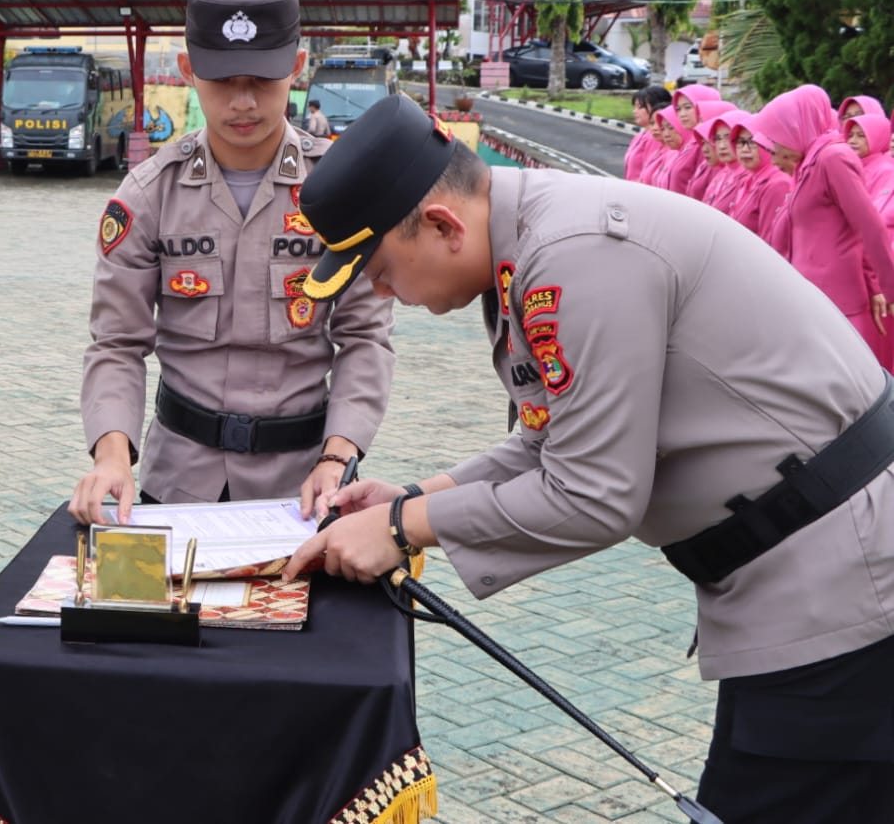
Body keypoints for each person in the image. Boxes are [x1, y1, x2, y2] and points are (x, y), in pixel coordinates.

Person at [288, 93, 894, 822]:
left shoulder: (572, 255)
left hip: (843, 583)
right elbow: (550, 438)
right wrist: (409, 499)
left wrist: (401, 529)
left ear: (442, 225)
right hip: (805, 575)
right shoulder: (529, 241)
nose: (387, 294)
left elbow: (593, 494)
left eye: (382, 271)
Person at [72, 0, 396, 527]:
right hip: (178, 482)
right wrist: (110, 455)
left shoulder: (340, 191)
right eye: (222, 81)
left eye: (262, 80)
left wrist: (338, 455)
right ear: (187, 72)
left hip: (304, 485)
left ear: (296, 68)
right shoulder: (150, 196)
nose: (242, 102)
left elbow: (365, 338)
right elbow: (118, 344)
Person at [752, 84, 894, 361]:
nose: (774, 148)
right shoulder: (810, 162)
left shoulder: (833, 158)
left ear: (797, 129)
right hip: (814, 297)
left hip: (837, 301)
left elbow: (868, 225)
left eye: (777, 138)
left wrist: (887, 287)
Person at [729, 113, 792, 243]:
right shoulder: (748, 180)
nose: (745, 149)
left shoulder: (777, 183)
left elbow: (770, 240)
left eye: (752, 142)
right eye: (741, 142)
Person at [622, 84, 670, 183]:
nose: (634, 111)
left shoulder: (655, 137)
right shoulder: (641, 136)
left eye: (640, 107)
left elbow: (648, 174)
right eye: (634, 107)